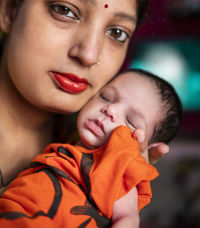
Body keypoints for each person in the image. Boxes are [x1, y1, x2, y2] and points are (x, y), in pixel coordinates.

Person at [0, 0, 169, 206]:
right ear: (10, 7)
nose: (89, 55)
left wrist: (108, 200)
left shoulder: (90, 151)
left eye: (116, 33)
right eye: (65, 10)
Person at [0, 69, 182, 228]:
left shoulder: (115, 169)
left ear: (147, 147)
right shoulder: (65, 148)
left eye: (131, 121)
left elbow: (128, 219)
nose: (110, 109)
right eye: (106, 97)